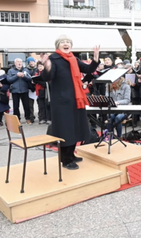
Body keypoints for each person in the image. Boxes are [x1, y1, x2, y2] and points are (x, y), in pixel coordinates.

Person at [41, 35, 100, 170]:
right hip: (61, 101)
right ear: (58, 45)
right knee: (65, 130)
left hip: (76, 99)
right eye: (63, 42)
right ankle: (65, 160)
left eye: (68, 42)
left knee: (76, 127)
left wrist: (95, 59)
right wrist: (47, 66)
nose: (66, 44)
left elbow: (88, 69)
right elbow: (47, 77)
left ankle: (71, 154)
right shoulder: (53, 59)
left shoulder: (73, 59)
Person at [7, 58, 32, 124]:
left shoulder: (26, 70)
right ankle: (17, 119)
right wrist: (16, 75)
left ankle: (28, 118)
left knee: (26, 106)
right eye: (18, 62)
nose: (19, 63)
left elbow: (30, 79)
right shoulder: (11, 71)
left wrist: (24, 76)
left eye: (20, 61)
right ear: (15, 63)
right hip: (15, 91)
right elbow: (9, 80)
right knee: (16, 106)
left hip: (24, 90)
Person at [26, 57, 37, 123]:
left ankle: (41, 116)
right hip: (30, 89)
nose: (31, 63)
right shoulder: (26, 70)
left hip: (38, 88)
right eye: (30, 62)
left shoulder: (38, 68)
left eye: (32, 61)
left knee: (40, 104)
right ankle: (31, 116)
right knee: (30, 105)